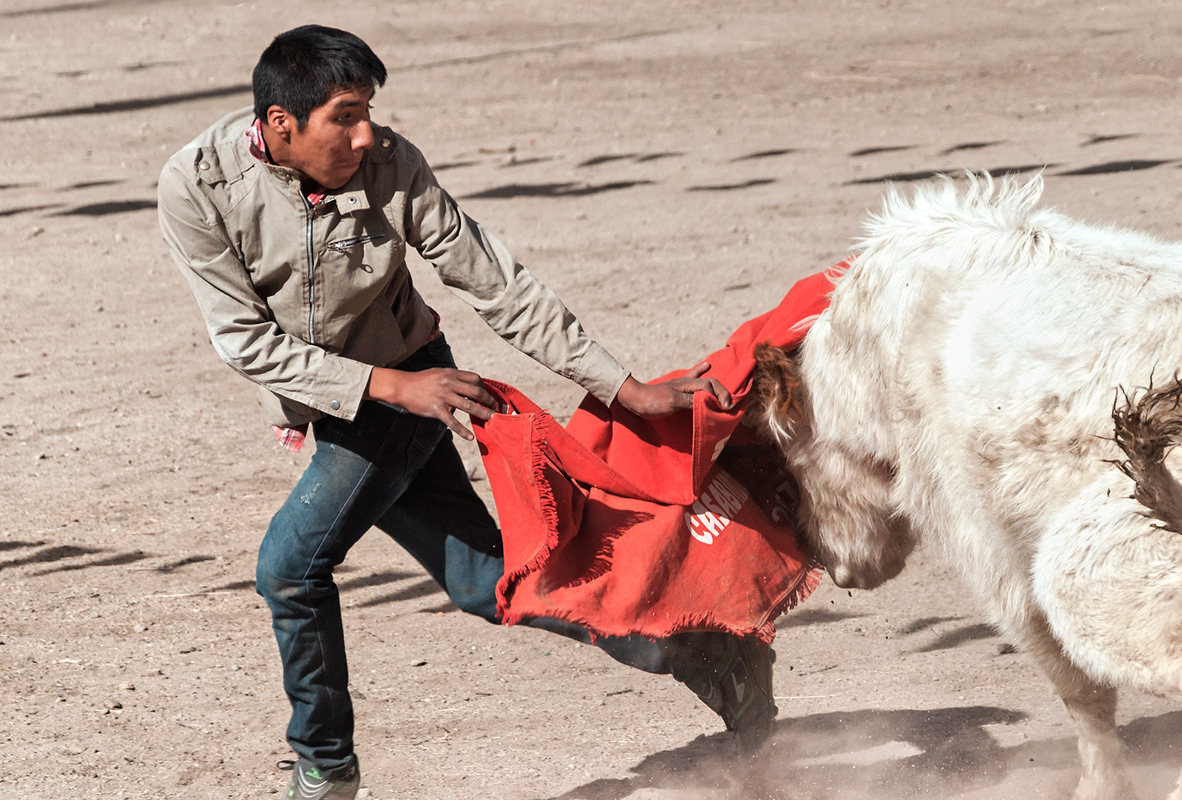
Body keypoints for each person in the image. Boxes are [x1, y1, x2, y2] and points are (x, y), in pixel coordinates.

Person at [156, 24, 776, 800]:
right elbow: (244, 342)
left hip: (414, 387)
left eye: (369, 112)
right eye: (344, 116)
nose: (366, 133)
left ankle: (325, 767)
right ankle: (702, 653)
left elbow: (498, 286)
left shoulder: (392, 165)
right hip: (372, 394)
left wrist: (625, 389)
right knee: (487, 583)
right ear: (281, 123)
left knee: (289, 568)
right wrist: (385, 386)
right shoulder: (198, 185)